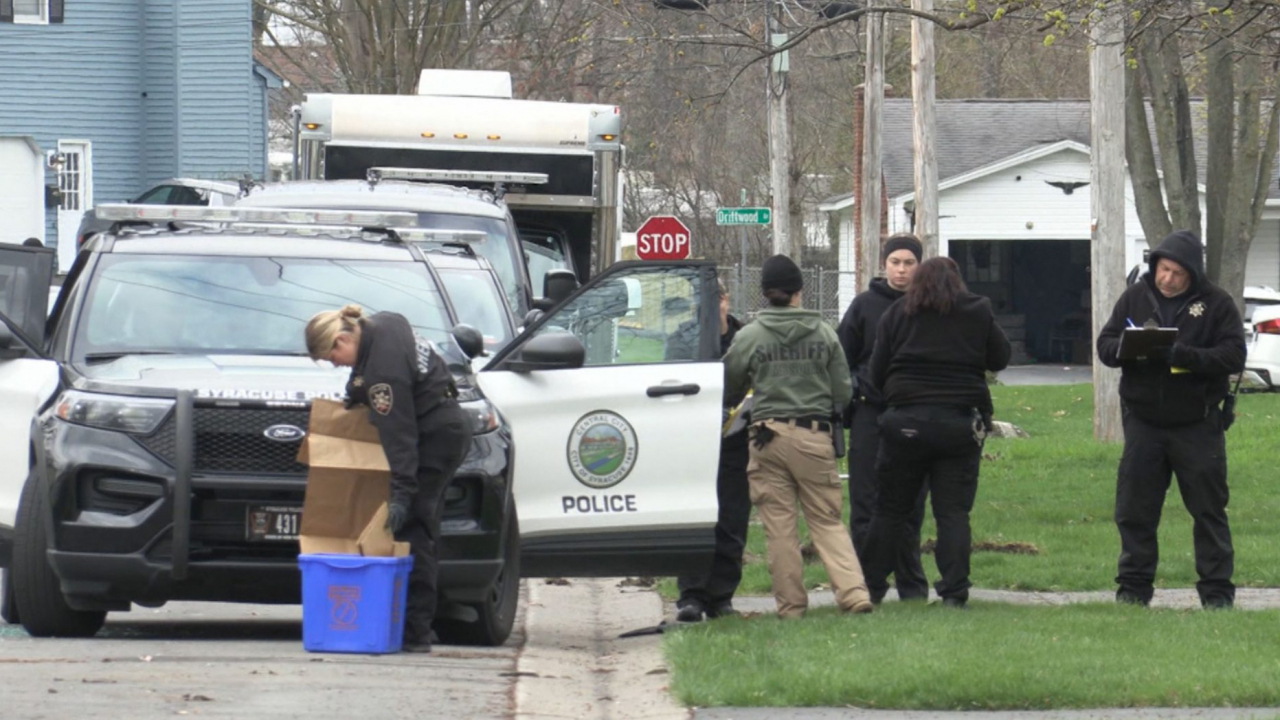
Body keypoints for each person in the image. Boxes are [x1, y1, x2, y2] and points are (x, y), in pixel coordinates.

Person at [305, 305, 473, 652]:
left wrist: (401, 494)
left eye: (333, 357)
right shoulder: (382, 323)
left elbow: (400, 438)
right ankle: (419, 623)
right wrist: (356, 388)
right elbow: (373, 367)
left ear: (342, 338)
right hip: (446, 424)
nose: (337, 365)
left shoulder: (384, 377)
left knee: (413, 525)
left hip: (435, 437)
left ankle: (416, 632)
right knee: (422, 527)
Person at [1096, 230, 1245, 609]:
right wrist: (1129, 350)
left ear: (1192, 274)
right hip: (1144, 421)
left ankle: (1216, 594)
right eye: (1164, 270)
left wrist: (1184, 356)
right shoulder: (1135, 296)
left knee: (1208, 509)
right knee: (1134, 509)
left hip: (1198, 422)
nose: (1168, 279)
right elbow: (1105, 344)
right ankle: (1132, 590)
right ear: (1155, 266)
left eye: (1178, 273)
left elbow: (1232, 356)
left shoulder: (1216, 304)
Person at [723, 254, 872, 618]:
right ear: (798, 292)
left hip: (766, 437)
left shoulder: (750, 336)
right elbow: (842, 391)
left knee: (779, 526)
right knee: (826, 520)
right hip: (814, 436)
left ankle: (791, 607)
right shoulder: (824, 333)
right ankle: (853, 594)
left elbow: (729, 386)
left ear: (764, 294)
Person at [862, 257, 1011, 608]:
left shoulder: (898, 314)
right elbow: (1001, 357)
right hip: (957, 426)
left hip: (905, 424)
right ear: (958, 283)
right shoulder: (977, 310)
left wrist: (895, 404)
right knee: (953, 513)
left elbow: (876, 369)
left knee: (890, 510)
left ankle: (870, 586)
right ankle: (955, 591)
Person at [836, 233, 928, 602]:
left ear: (919, 266)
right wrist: (856, 392)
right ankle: (864, 585)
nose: (902, 270)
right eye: (895, 262)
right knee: (865, 501)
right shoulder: (864, 306)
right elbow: (842, 358)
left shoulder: (928, 307)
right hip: (870, 414)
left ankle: (912, 584)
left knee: (911, 503)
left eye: (908, 263)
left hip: (914, 414)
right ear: (884, 264)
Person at [667, 279, 750, 622]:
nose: (711, 307)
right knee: (695, 516)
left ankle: (722, 596)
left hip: (736, 440)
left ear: (725, 300)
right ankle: (692, 596)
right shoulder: (681, 339)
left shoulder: (745, 339)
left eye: (715, 299)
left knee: (731, 519)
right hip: (694, 441)